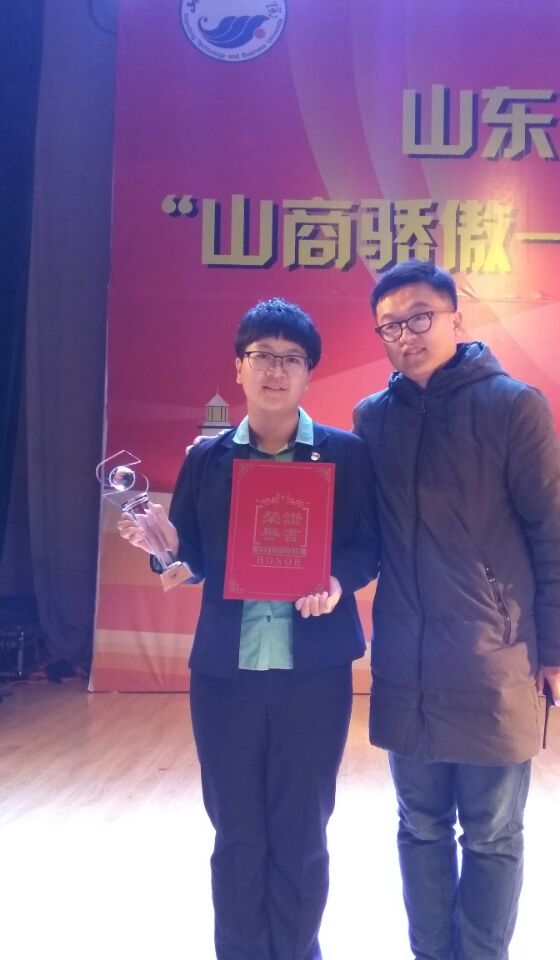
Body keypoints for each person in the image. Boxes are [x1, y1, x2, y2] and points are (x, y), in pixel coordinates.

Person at [118, 298, 379, 960]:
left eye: (292, 359)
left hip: (312, 676)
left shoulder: (345, 454)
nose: (275, 370)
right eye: (262, 356)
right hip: (225, 679)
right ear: (239, 367)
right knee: (235, 831)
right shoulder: (206, 460)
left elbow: (366, 546)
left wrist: (337, 582)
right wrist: (163, 551)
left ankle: (296, 951)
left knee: (302, 831)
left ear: (309, 373)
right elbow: (191, 558)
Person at [353, 261, 560, 960]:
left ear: (458, 319)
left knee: (491, 834)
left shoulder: (513, 407)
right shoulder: (372, 419)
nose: (406, 334)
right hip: (406, 663)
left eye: (420, 317)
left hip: (497, 661)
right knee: (420, 827)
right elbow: (361, 536)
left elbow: (556, 531)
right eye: (390, 325)